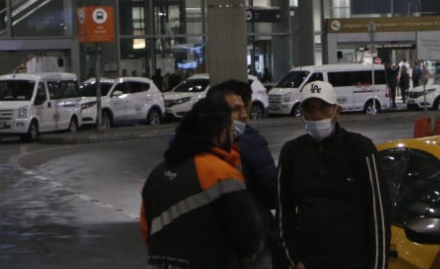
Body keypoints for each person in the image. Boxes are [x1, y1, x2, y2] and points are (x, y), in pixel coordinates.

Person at [278, 81, 389, 269]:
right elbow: (284, 214)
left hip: (356, 263)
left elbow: (379, 213)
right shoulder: (291, 153)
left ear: (337, 111)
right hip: (310, 263)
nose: (316, 115)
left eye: (323, 108)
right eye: (309, 109)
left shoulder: (360, 149)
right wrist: (294, 260)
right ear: (302, 114)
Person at [141, 97, 262, 268]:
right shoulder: (221, 173)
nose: (233, 138)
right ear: (220, 135)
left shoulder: (156, 174)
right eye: (231, 132)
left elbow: (146, 230)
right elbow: (248, 234)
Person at [207, 80, 279, 269]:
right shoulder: (252, 143)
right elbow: (273, 192)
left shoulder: (187, 148)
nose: (245, 115)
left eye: (244, 108)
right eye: (237, 110)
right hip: (252, 242)